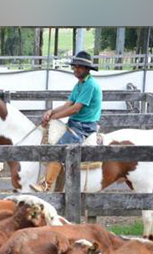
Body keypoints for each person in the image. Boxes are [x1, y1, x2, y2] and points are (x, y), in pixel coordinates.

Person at [31, 51, 103, 192]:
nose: (76, 69)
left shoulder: (89, 85)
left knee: (60, 149)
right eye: (75, 66)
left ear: (87, 69)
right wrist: (51, 112)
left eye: (80, 67)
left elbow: (75, 108)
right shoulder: (80, 84)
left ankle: (46, 184)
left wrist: (54, 117)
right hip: (75, 124)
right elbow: (67, 105)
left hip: (84, 126)